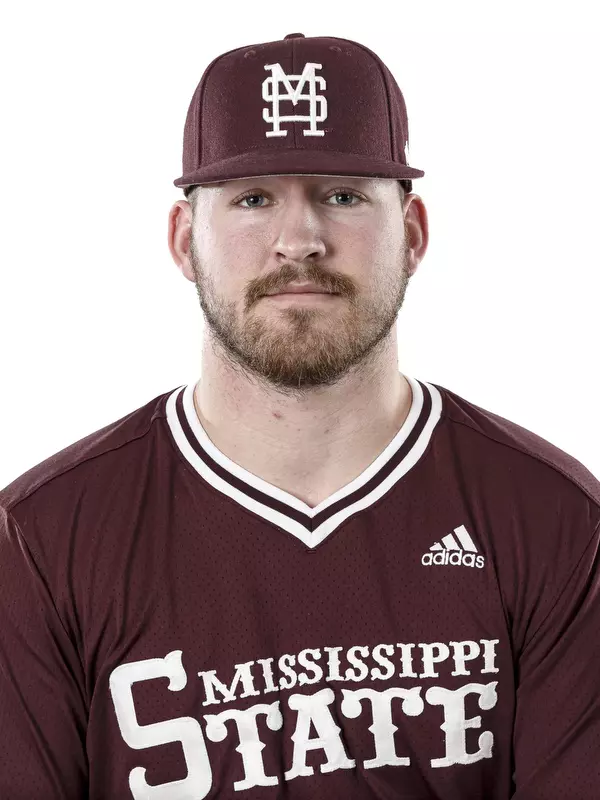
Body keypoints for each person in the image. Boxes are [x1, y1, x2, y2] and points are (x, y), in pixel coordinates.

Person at [0, 32, 598, 800]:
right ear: (186, 241)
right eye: (253, 199)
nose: (299, 242)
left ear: (412, 234)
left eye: (342, 195)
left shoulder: (552, 518)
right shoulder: (44, 537)